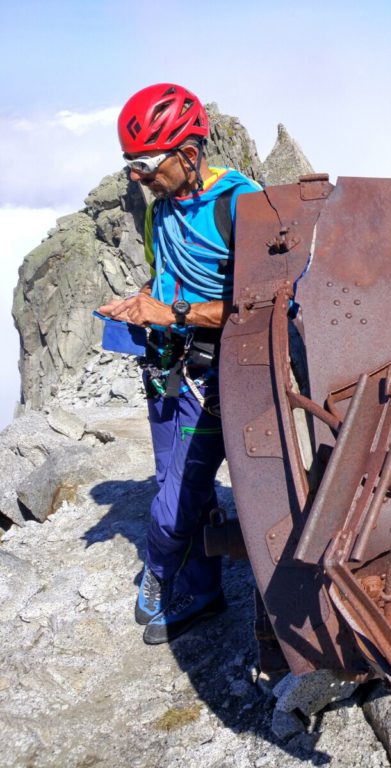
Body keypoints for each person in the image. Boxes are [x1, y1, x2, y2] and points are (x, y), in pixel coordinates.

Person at [97, 83, 261, 644]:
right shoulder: (160, 211)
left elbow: (273, 301)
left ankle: (167, 572)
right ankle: (200, 586)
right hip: (167, 369)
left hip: (217, 377)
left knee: (174, 503)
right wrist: (139, 302)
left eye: (145, 164)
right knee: (175, 481)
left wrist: (174, 311)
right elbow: (164, 277)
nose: (137, 177)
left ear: (188, 154)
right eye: (130, 165)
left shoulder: (242, 205)